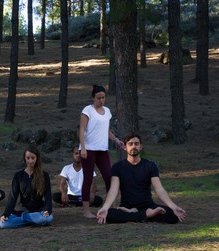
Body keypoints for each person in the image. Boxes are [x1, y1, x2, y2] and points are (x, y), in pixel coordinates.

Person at [97, 133, 187, 224]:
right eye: (130, 144)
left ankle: (135, 214)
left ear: (141, 147)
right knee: (109, 214)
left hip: (148, 205)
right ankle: (146, 215)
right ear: (125, 147)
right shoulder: (117, 167)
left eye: (136, 144)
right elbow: (113, 190)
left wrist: (173, 206)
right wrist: (105, 207)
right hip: (127, 206)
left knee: (172, 215)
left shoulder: (150, 166)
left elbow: (159, 189)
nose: (134, 146)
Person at [79, 84, 124, 218]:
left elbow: (106, 130)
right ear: (93, 98)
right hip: (88, 149)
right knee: (88, 179)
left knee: (109, 177)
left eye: (103, 98)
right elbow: (81, 130)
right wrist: (83, 148)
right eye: (99, 98)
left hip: (102, 149)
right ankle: (86, 211)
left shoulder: (107, 112)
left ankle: (112, 206)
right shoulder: (87, 110)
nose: (101, 100)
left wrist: (116, 140)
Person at [0, 145, 53, 229]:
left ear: (37, 158)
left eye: (33, 158)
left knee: (49, 218)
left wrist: (47, 210)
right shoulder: (18, 176)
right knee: (3, 224)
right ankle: (33, 221)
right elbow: (12, 197)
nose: (30, 161)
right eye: (28, 158)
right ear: (24, 158)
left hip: (39, 211)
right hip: (22, 210)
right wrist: (5, 214)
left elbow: (48, 196)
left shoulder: (44, 175)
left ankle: (26, 220)